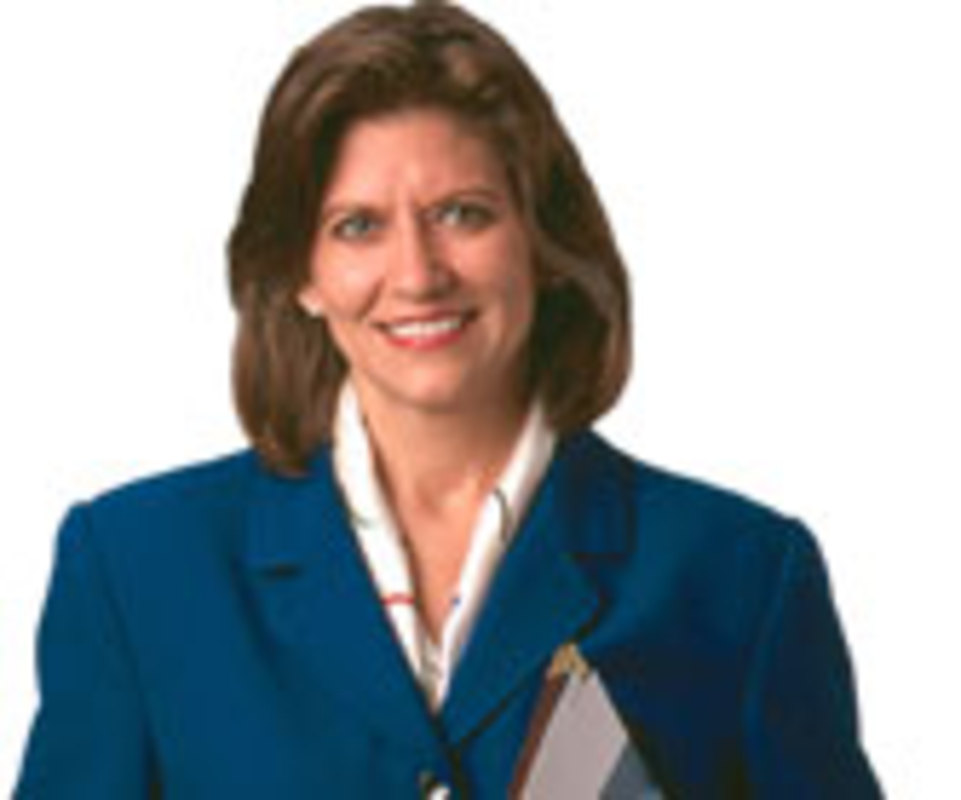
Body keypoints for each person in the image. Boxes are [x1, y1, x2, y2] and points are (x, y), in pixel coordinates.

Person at [15, 1, 881, 797]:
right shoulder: (137, 570)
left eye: (463, 214)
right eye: (357, 226)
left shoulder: (736, 577)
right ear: (300, 273)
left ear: (541, 242)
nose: (418, 274)